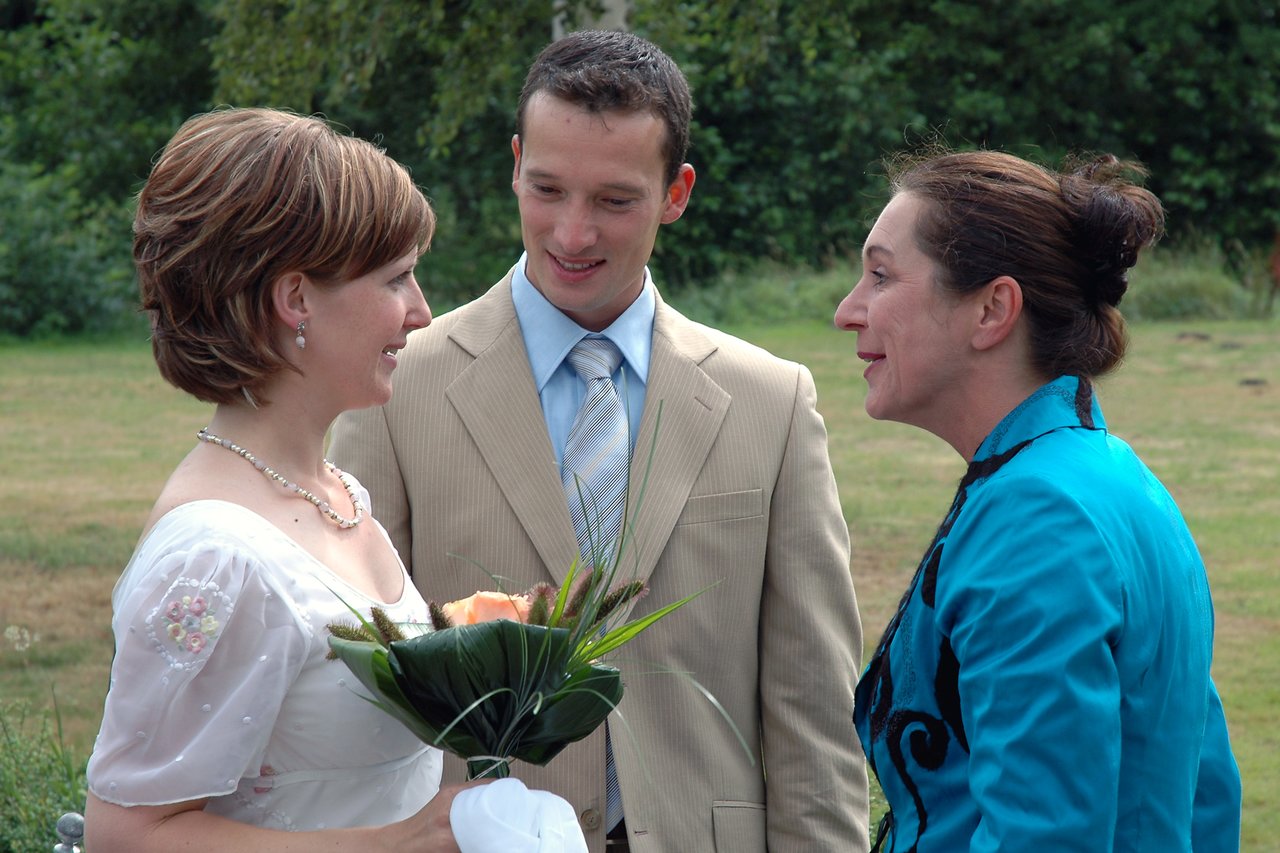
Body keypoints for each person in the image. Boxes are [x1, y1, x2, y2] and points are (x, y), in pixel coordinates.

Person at [329, 29, 871, 853]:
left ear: (677, 192)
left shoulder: (773, 402)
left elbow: (813, 710)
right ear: (514, 163)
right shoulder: (399, 384)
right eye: (546, 188)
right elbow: (360, 684)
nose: (572, 234)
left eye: (615, 201)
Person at [84, 107, 584, 853]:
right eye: (397, 278)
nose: (421, 311)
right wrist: (401, 842)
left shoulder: (339, 493)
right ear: (295, 300)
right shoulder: (214, 556)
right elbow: (127, 834)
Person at [834, 149, 1243, 851]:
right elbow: (1205, 795)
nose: (848, 311)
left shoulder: (1039, 519)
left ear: (992, 308)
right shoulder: (1115, 476)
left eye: (880, 275)